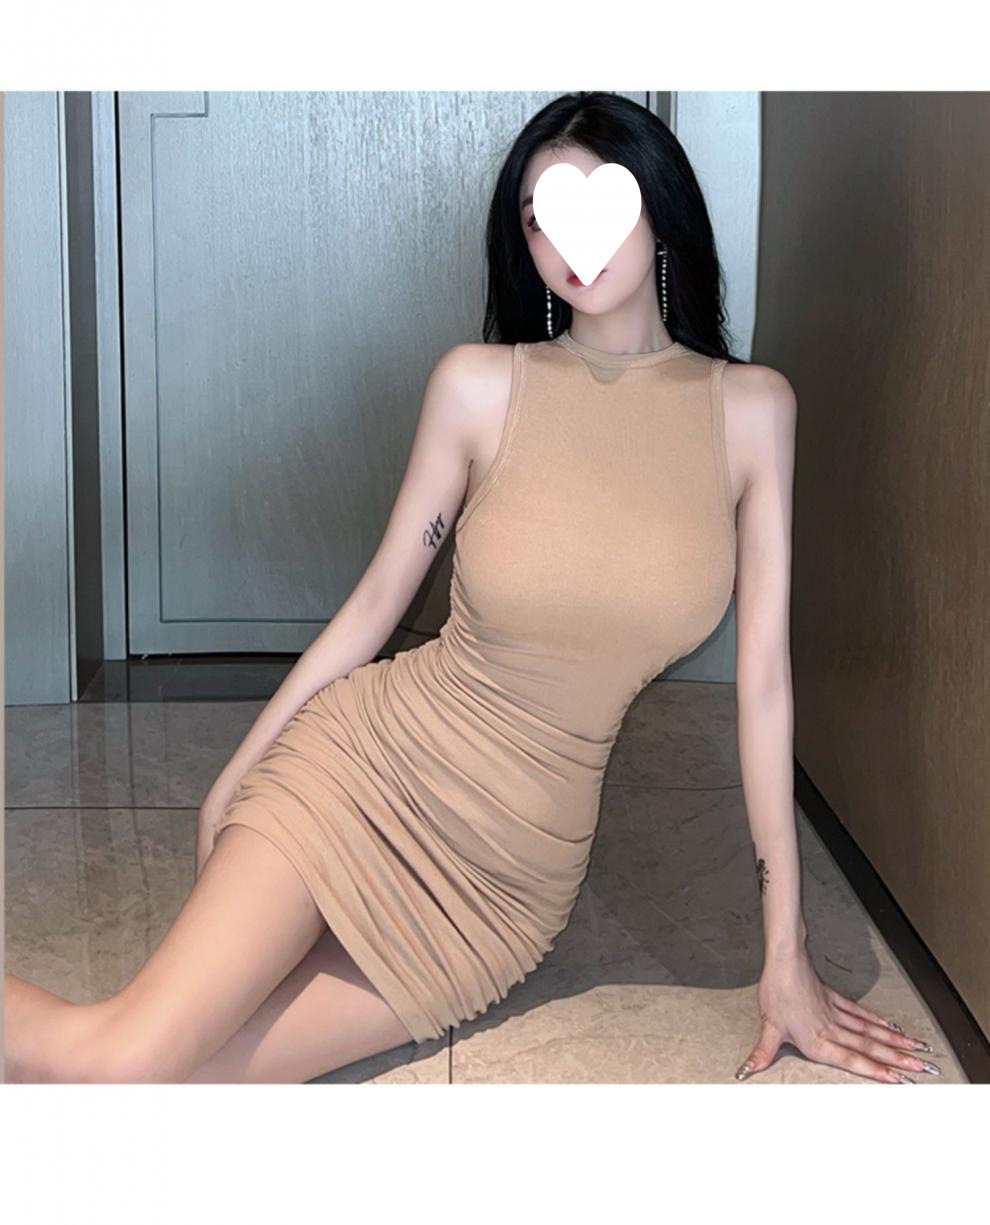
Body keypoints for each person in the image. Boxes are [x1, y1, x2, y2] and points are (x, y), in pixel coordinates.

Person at [4, 91, 939, 1085]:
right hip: (365, 771)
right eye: (540, 218)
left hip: (504, 887)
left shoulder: (752, 410)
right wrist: (243, 766)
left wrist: (786, 951)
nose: (569, 240)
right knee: (121, 1065)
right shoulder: (479, 386)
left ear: (658, 203)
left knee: (183, 1087)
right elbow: (376, 605)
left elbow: (764, 686)